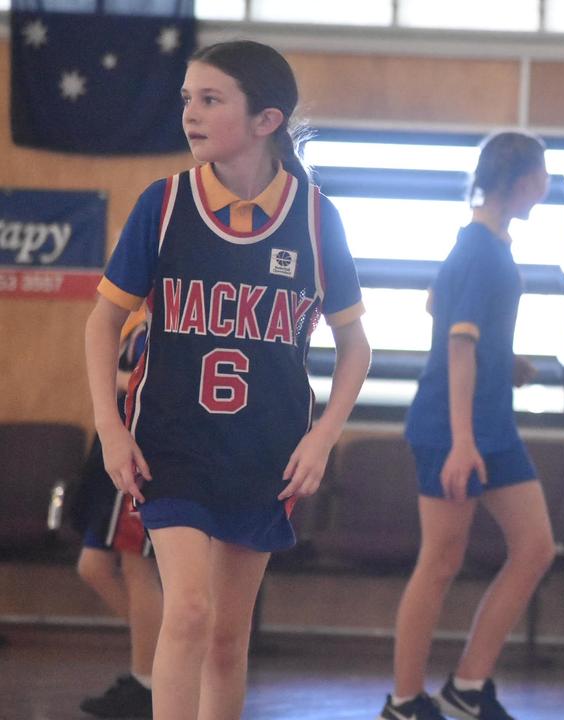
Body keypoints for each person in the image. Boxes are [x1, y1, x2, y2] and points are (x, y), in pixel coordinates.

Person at [84, 40, 370, 720]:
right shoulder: (165, 204)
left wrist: (324, 436)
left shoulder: (313, 216)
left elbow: (355, 345)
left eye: (211, 100)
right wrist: (109, 425)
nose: (191, 113)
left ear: (267, 119)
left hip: (265, 452)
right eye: (187, 98)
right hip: (171, 445)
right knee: (186, 609)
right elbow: (103, 324)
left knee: (226, 635)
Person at [383, 131, 555, 720]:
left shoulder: (487, 246)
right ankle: (405, 702)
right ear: (525, 180)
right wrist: (460, 442)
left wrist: (505, 361)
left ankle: (466, 687)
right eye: (544, 175)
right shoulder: (479, 249)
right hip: (451, 428)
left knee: (534, 548)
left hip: (492, 425)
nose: (547, 186)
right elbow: (457, 345)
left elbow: (438, 306)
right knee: (441, 560)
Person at [72, 311, 163, 718]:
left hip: (141, 455)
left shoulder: (170, 326)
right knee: (93, 566)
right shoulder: (139, 325)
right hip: (113, 453)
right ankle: (162, 657)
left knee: (135, 567)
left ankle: (150, 681)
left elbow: (157, 388)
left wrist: (113, 378)